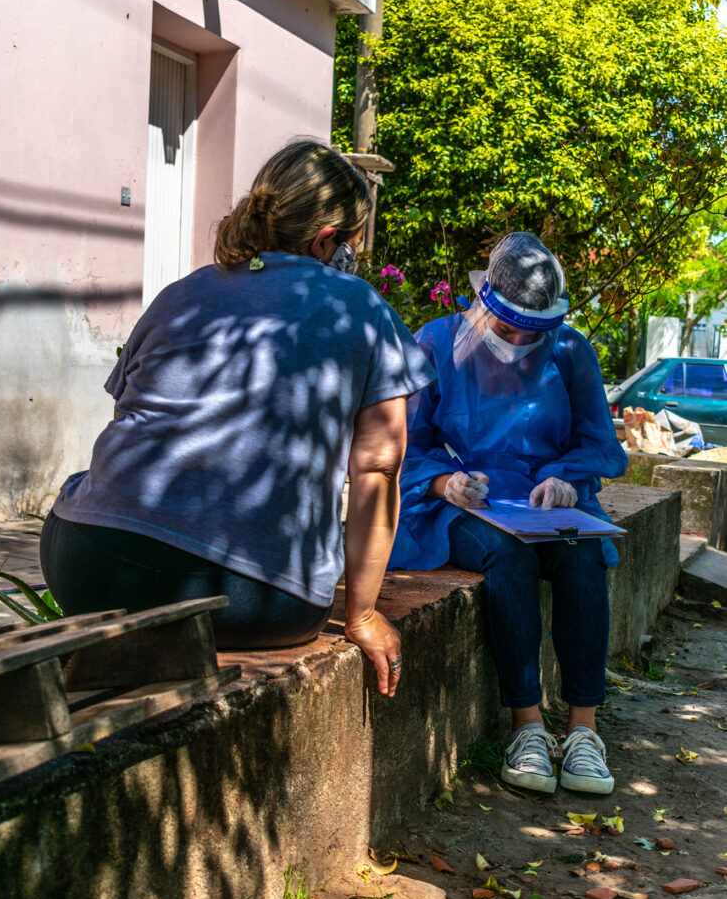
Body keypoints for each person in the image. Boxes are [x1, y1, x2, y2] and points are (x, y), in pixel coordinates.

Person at [40, 141, 435, 697]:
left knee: (82, 488)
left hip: (88, 567)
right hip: (257, 600)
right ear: (327, 240)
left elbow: (131, 421)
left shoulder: (182, 293)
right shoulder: (362, 308)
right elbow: (378, 468)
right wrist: (363, 615)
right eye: (350, 242)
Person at [389, 232, 627, 789]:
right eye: (507, 327)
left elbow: (600, 444)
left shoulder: (570, 352)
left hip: (550, 505)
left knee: (584, 555)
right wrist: (445, 481)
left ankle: (584, 732)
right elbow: (402, 445)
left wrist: (565, 477)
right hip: (470, 506)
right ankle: (527, 726)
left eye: (534, 331)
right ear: (483, 301)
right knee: (508, 556)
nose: (521, 339)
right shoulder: (437, 344)